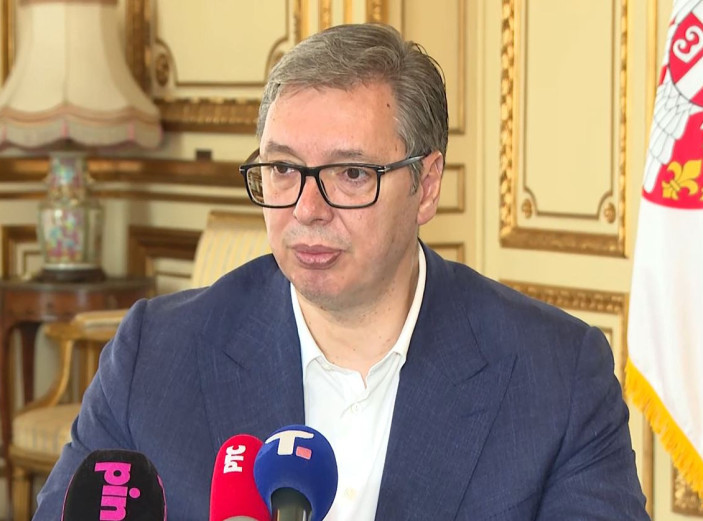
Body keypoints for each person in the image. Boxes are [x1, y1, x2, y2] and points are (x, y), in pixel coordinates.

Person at [34, 23, 649, 520]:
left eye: (351, 174)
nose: (307, 209)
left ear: (426, 186)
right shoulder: (154, 355)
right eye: (283, 170)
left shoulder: (556, 375)